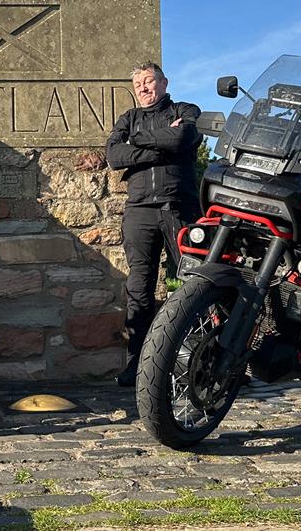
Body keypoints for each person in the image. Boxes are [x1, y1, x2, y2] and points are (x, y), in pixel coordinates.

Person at [106, 62, 203, 387]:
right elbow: (115, 156)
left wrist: (140, 142)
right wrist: (158, 144)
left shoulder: (184, 109)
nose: (144, 88)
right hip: (140, 212)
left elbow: (181, 139)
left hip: (180, 207)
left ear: (164, 82)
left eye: (149, 81)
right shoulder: (128, 119)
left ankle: (204, 361)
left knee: (194, 283)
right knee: (139, 290)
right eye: (138, 84)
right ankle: (137, 365)